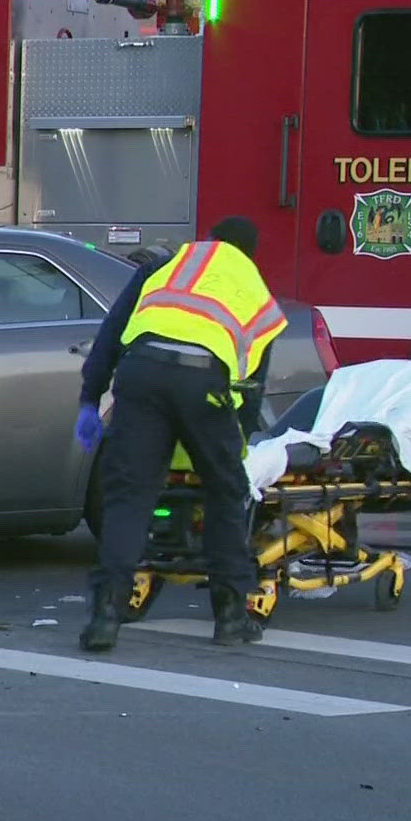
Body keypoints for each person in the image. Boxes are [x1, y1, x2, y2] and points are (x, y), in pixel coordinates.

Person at [75, 216, 286, 652]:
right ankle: (230, 618)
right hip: (203, 382)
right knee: (225, 493)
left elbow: (111, 332)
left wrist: (89, 398)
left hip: (141, 373)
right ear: (250, 253)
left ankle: (104, 619)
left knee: (128, 498)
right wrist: (236, 441)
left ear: (208, 240)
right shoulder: (253, 287)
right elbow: (251, 385)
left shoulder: (168, 265)